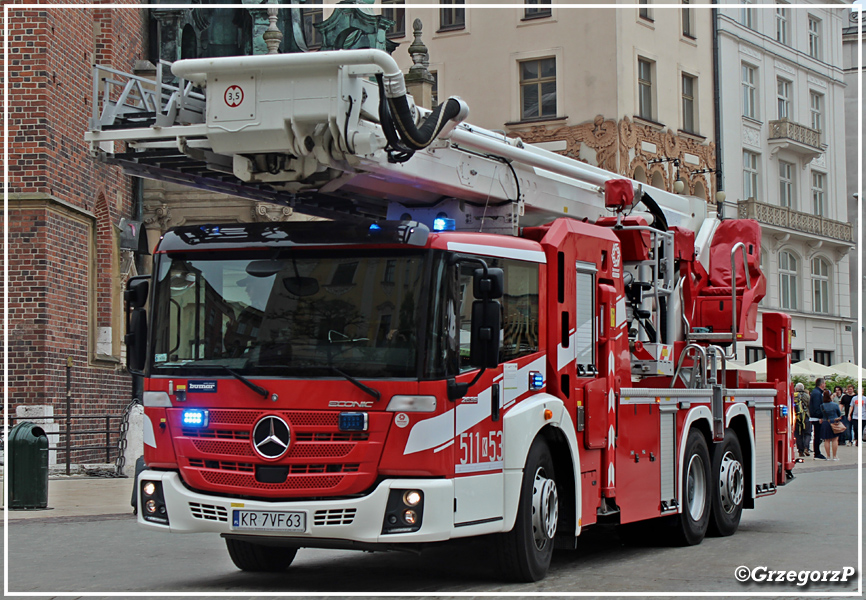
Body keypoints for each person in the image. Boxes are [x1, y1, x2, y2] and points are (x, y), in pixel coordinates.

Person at [819, 388, 843, 461]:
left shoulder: (822, 406)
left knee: (827, 440)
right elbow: (839, 413)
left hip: (825, 423)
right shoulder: (835, 405)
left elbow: (821, 414)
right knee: (835, 439)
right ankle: (835, 456)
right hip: (834, 422)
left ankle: (828, 456)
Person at [809, 378, 828, 460]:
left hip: (815, 416)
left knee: (818, 435)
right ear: (822, 384)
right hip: (817, 417)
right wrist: (820, 416)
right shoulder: (817, 393)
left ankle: (817, 452)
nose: (825, 385)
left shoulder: (816, 392)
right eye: (825, 383)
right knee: (817, 435)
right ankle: (817, 453)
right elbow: (817, 406)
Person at [793, 382, 811, 457]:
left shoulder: (793, 396)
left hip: (796, 417)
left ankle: (800, 451)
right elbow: (810, 405)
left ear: (796, 389)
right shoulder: (807, 396)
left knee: (798, 434)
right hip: (806, 416)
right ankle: (806, 447)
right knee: (807, 433)